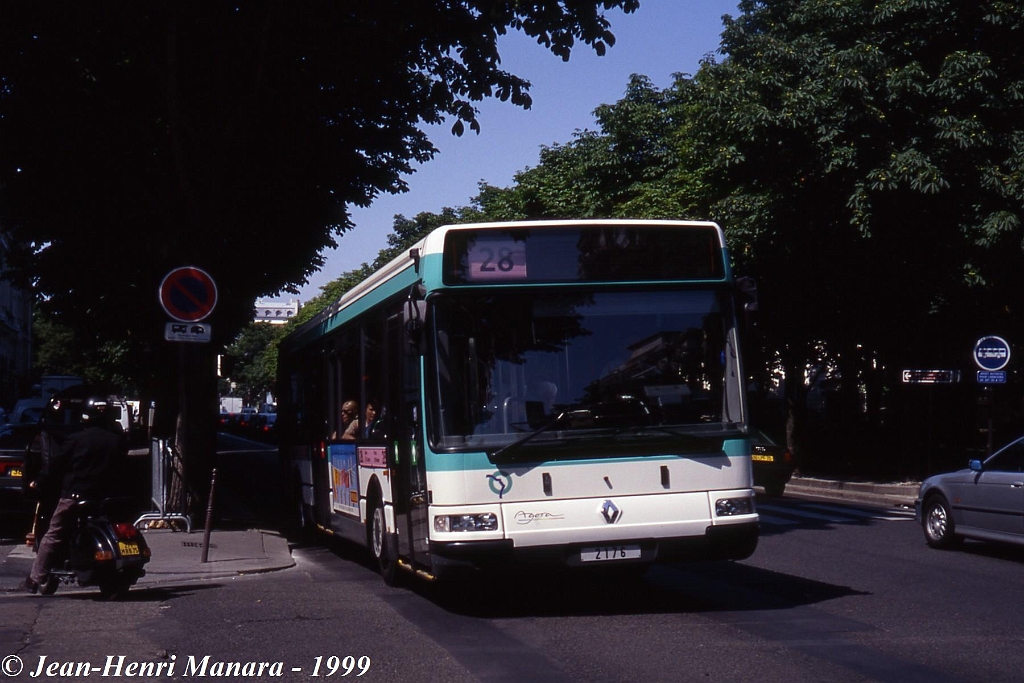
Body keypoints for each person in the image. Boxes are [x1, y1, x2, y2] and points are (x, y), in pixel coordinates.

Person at [25, 395, 127, 594]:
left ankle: (34, 579)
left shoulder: (77, 439)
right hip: (106, 498)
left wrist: (38, 481)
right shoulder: (116, 440)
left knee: (52, 534)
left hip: (76, 495)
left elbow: (56, 466)